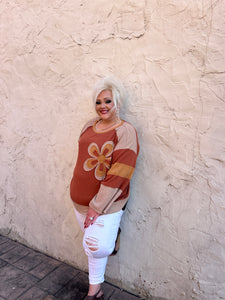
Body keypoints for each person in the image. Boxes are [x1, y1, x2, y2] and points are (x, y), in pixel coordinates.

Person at [70, 76, 139, 300]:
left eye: (108, 101)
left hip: (104, 204)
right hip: (78, 200)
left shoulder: (125, 131)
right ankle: (96, 291)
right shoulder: (89, 125)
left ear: (117, 102)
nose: (103, 107)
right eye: (98, 102)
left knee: (96, 246)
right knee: (93, 249)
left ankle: (94, 292)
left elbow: (120, 174)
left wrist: (97, 207)